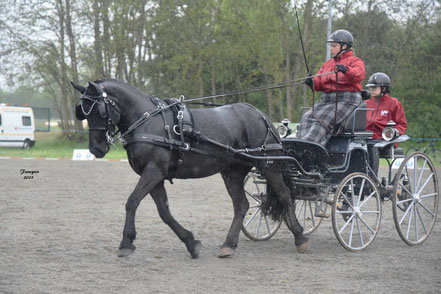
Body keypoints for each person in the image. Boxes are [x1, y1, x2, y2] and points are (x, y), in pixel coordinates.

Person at [298, 29, 365, 146]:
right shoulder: (327, 64)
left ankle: (310, 145)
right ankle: (299, 144)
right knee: (306, 117)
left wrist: (346, 70)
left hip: (346, 100)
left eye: (334, 46)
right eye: (331, 46)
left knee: (322, 120)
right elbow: (319, 82)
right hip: (326, 100)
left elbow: (359, 74)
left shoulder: (355, 61)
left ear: (344, 46)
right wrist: (312, 82)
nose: (331, 49)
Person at [365, 72, 407, 175]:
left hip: (385, 141)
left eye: (374, 87)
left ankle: (371, 180)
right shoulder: (365, 104)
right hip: (367, 139)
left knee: (372, 147)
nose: (371, 89)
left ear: (383, 88)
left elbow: (402, 125)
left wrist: (392, 133)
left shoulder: (394, 103)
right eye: (370, 87)